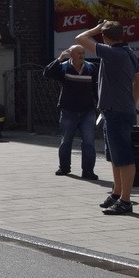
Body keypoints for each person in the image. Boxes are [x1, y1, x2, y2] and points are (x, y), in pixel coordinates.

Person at [75, 20, 139, 215]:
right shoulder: (129, 52)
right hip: (117, 110)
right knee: (115, 156)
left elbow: (80, 39)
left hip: (117, 112)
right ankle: (116, 193)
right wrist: (132, 101)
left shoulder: (112, 53)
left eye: (102, 35)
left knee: (124, 157)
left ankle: (126, 201)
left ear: (105, 38)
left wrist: (96, 29)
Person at [43, 45, 98, 180]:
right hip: (69, 111)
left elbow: (96, 88)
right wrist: (60, 59)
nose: (81, 55)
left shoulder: (91, 68)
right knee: (66, 141)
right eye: (78, 53)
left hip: (87, 112)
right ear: (71, 54)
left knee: (89, 142)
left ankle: (88, 171)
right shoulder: (63, 68)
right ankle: (64, 168)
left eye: (83, 53)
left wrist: (100, 104)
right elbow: (47, 73)